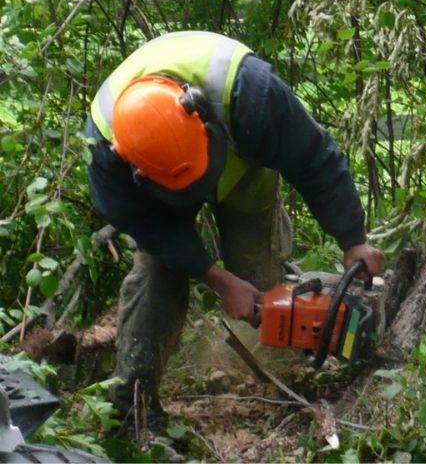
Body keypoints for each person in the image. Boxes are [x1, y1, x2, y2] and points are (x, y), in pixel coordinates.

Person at [84, 30, 383, 429]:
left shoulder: (253, 95)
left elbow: (314, 158)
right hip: (158, 197)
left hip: (244, 170)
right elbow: (150, 228)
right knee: (158, 276)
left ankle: (282, 380)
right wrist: (219, 280)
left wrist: (352, 239)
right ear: (131, 164)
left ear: (202, 116)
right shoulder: (106, 151)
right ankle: (133, 409)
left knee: (258, 274)